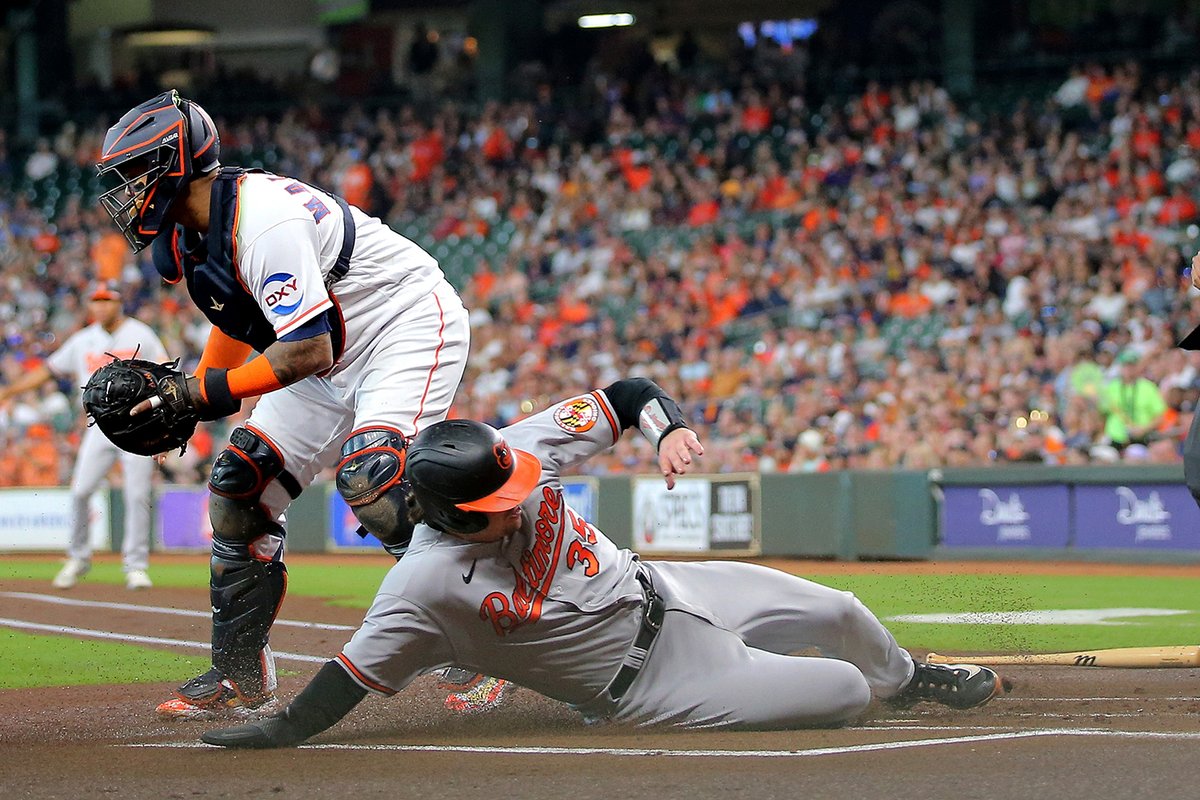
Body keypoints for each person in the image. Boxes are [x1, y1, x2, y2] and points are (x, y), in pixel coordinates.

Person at [201, 378, 1006, 748]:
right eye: (499, 503)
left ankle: (910, 678)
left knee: (840, 609)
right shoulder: (422, 587)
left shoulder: (512, 449)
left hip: (669, 586)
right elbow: (345, 679)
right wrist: (277, 731)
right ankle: (834, 681)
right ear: (449, 516)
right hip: (654, 685)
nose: (520, 498)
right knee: (841, 690)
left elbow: (626, 395)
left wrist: (668, 427)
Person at [94, 89, 501, 719]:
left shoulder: (262, 221)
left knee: (375, 478)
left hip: (400, 321)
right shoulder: (192, 233)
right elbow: (237, 318)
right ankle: (241, 674)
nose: (125, 191)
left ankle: (493, 644)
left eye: (135, 172)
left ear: (176, 165)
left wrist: (199, 394)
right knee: (239, 484)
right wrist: (197, 392)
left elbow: (307, 349)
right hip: (325, 348)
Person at [0, 280, 166, 591]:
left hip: (139, 427)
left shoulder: (141, 334)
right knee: (80, 491)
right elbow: (48, 370)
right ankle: (78, 556)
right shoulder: (83, 339)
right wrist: (10, 390)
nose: (100, 306)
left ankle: (136, 565)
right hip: (99, 427)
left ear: (119, 302)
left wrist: (163, 427)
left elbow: (164, 376)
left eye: (106, 300)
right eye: (95, 300)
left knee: (137, 495)